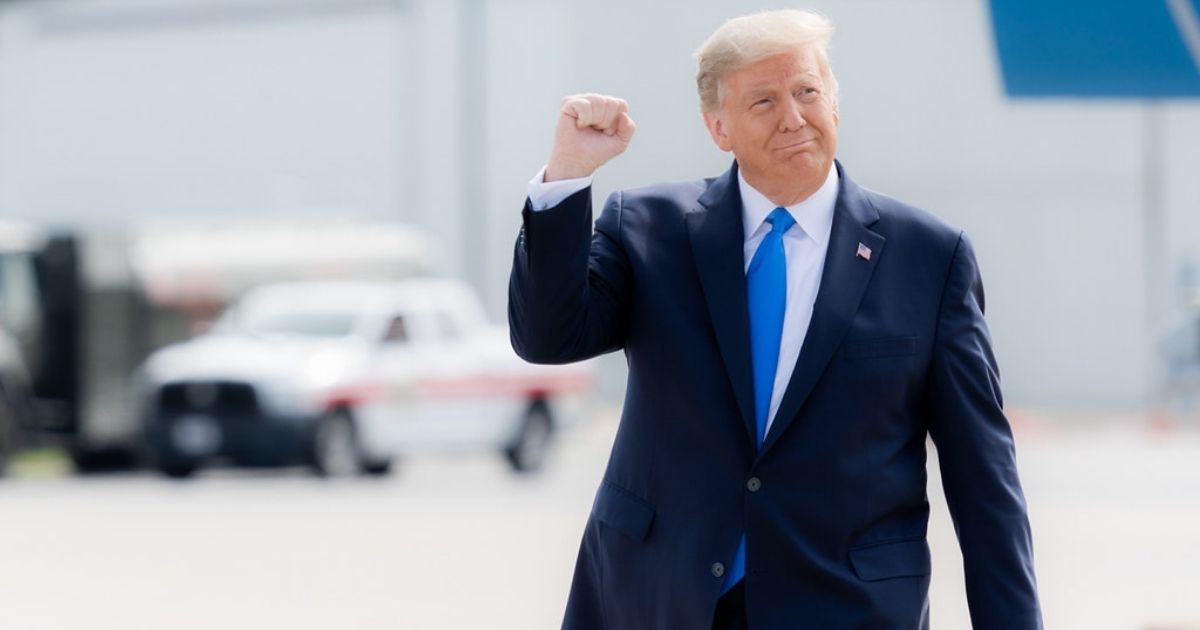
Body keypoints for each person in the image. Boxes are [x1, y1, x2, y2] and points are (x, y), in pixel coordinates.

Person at [508, 9, 1041, 630]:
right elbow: (547, 337)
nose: (793, 117)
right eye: (763, 101)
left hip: (845, 608)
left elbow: (985, 484)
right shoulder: (647, 231)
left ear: (834, 102)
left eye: (807, 91)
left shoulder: (930, 257)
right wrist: (568, 176)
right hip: (657, 599)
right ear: (718, 127)